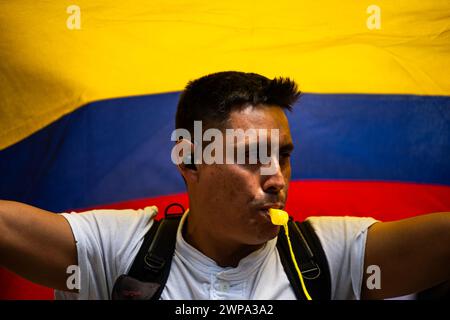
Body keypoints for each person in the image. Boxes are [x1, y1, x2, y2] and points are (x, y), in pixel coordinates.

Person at [0, 71, 449, 300]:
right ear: (189, 162)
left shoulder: (328, 255)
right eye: (251, 158)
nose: (276, 179)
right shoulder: (120, 250)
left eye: (285, 156)